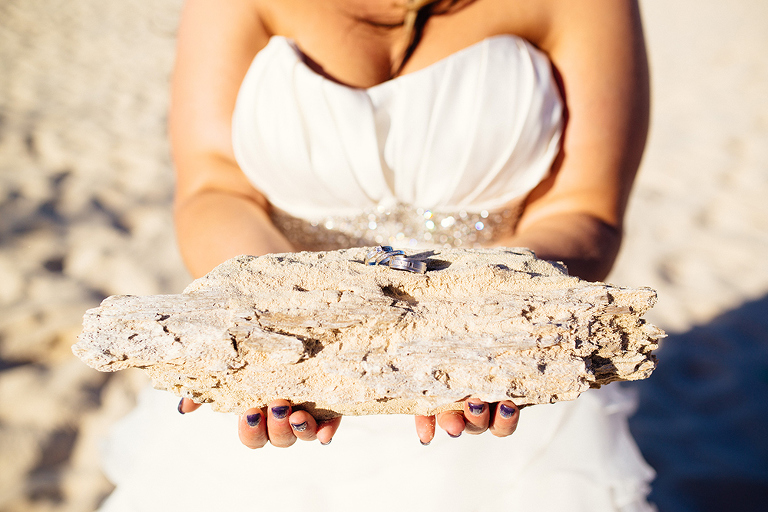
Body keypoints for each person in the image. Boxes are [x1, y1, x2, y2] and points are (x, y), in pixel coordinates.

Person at [98, 0, 655, 510]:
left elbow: (585, 207)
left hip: (490, 352)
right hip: (289, 337)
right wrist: (267, 318)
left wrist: (489, 317)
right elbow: (215, 187)